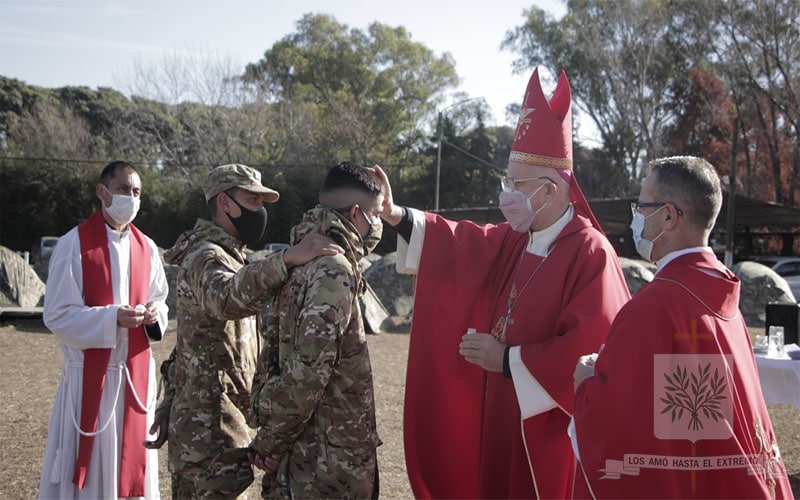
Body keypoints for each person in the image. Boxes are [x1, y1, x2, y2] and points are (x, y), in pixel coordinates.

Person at [374, 67, 631, 499]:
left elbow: (593, 349)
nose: (506, 193)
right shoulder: (518, 236)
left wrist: (509, 360)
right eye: (506, 181)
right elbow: (460, 245)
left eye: (516, 184)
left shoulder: (590, 253)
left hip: (547, 428)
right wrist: (395, 213)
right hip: (501, 412)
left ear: (550, 191)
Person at [571, 156, 793, 499]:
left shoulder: (655, 307)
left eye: (641, 206)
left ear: (669, 216)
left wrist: (587, 384)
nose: (636, 218)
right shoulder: (721, 290)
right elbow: (697, 428)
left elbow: (616, 427)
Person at [154, 164, 343, 498]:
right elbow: (226, 299)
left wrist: (168, 402)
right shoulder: (204, 255)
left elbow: (191, 344)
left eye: (262, 200)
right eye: (252, 199)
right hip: (206, 436)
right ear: (225, 203)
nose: (261, 209)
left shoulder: (230, 256)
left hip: (223, 427)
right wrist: (286, 259)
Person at [248, 161, 383, 498]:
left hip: (310, 450)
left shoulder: (304, 252)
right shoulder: (334, 269)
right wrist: (271, 441)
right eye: (377, 215)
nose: (379, 224)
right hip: (328, 461)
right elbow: (308, 371)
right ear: (355, 214)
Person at [39, 160, 169, 499]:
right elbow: (57, 314)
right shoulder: (73, 245)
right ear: (102, 191)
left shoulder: (148, 248)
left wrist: (156, 314)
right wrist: (111, 318)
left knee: (132, 472)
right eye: (124, 188)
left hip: (135, 379)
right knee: (92, 479)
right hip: (90, 381)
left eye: (137, 191)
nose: (131, 197)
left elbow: (161, 299)